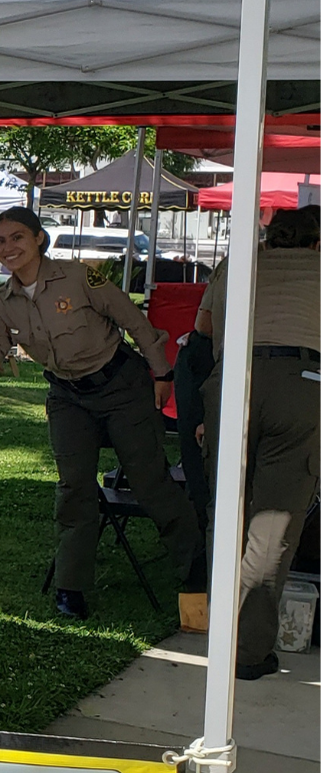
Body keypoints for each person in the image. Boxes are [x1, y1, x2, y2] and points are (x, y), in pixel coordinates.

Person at [0, 206, 205, 619]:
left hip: (121, 385)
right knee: (74, 488)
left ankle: (197, 568)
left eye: (17, 237)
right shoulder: (3, 301)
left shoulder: (77, 277)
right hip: (68, 396)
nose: (7, 248)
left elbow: (133, 320)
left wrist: (162, 372)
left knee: (149, 482)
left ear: (39, 239)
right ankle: (71, 587)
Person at [194, 206, 320, 679]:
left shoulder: (238, 261)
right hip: (300, 383)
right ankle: (247, 651)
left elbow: (205, 328)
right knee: (273, 525)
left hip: (233, 378)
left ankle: (220, 637)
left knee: (226, 513)